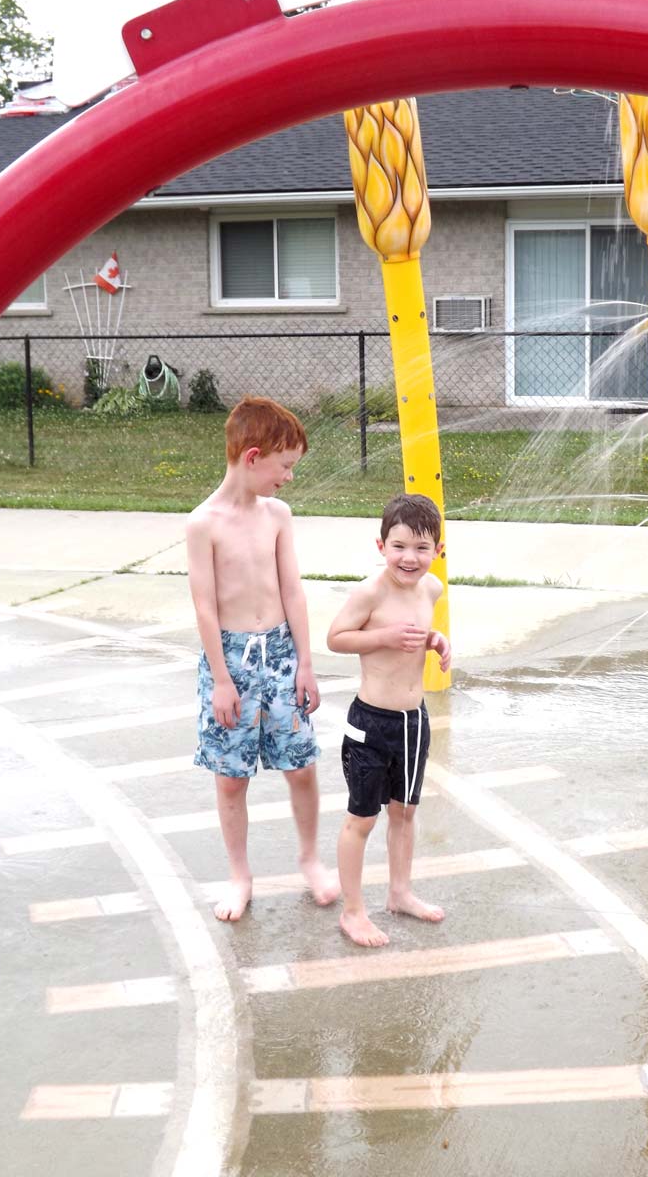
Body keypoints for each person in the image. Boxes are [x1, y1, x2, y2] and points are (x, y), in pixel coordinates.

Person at [186, 395, 340, 922]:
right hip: (229, 660)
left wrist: (305, 662)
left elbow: (293, 592)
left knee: (301, 766)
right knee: (231, 777)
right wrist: (222, 681)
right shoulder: (203, 523)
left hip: (279, 654)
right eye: (286, 466)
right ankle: (239, 875)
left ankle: (310, 858)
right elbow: (205, 606)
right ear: (252, 457)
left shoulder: (278, 515)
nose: (289, 478)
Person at [327, 492, 451, 947]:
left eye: (422, 548)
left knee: (405, 812)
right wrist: (384, 636)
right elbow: (336, 638)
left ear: (437, 551)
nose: (409, 558)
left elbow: (419, 632)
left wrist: (435, 640)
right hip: (371, 723)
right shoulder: (371, 591)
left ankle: (400, 892)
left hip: (412, 722)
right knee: (362, 817)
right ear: (381, 546)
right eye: (399, 546)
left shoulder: (431, 589)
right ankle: (353, 911)